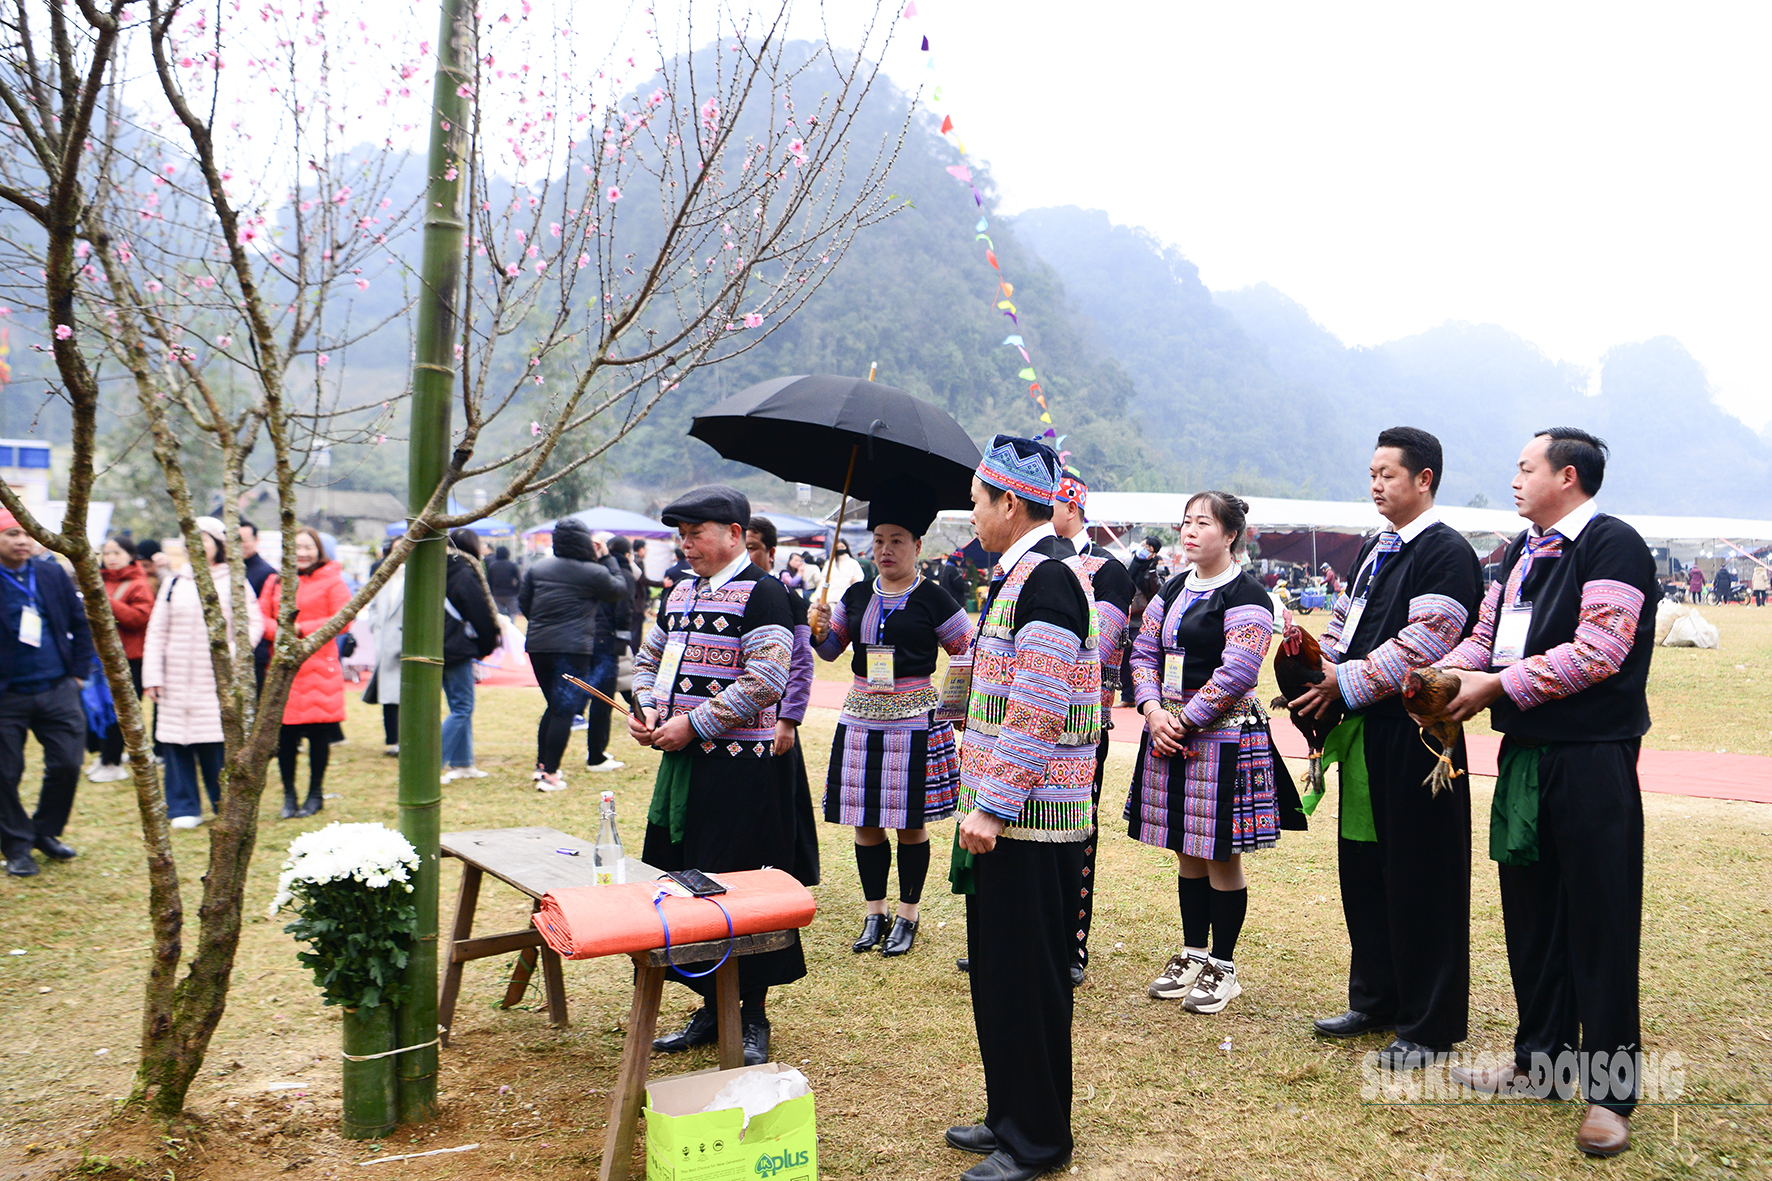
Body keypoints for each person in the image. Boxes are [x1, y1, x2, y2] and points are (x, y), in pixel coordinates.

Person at [1423, 429, 1658, 1157]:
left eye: (1525, 468)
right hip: (1525, 754)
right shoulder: (1518, 552)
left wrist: (1491, 686)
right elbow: (1484, 640)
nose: (1516, 480)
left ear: (1568, 474)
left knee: (1600, 916)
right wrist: (1439, 673)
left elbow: (1601, 650)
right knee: (1530, 910)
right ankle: (1541, 1060)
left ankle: (1610, 1091)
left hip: (1592, 757)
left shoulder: (1613, 544)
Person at [1290, 427, 1483, 1070]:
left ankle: (1428, 1024)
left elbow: (1429, 640)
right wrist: (1321, 668)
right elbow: (1347, 626)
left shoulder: (1445, 551)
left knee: (1424, 875)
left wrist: (1342, 685)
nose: (1375, 484)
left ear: (1424, 479)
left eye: (1388, 474)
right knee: (1366, 871)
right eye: (1371, 473)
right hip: (1368, 733)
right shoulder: (1378, 549)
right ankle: (1375, 999)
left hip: (1419, 736)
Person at [946, 436, 1100, 1181]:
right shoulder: (1020, 578)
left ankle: (1038, 1139)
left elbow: (1039, 706)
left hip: (1030, 824)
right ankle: (1008, 1110)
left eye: (978, 500)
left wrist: (995, 805)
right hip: (1007, 817)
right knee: (999, 973)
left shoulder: (1048, 580)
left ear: (1009, 502)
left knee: (1030, 980)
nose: (972, 515)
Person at [632, 485, 806, 1068]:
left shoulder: (766, 594)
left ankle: (749, 1013)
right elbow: (649, 660)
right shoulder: (679, 591)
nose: (687, 544)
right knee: (680, 888)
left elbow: (766, 680)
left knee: (734, 894)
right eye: (681, 534)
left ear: (734, 534)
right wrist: (651, 709)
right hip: (683, 772)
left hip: (741, 777)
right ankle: (709, 1003)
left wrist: (694, 724)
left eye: (697, 533)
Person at [1128, 491, 1302, 1015]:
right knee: (1187, 848)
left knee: (1222, 855)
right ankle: (1191, 954)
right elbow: (1143, 649)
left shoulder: (1248, 594)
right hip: (1170, 732)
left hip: (1224, 736)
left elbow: (1239, 671)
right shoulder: (1173, 587)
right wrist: (1153, 710)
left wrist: (1179, 720)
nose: (1189, 532)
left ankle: (1223, 968)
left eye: (1202, 523)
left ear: (1229, 535)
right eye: (1185, 523)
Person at [811, 479, 972, 959]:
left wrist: (955, 709)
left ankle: (907, 915)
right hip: (860, 718)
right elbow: (830, 650)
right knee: (864, 823)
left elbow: (968, 655)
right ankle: (874, 911)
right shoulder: (856, 595)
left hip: (915, 723)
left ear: (917, 546)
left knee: (909, 824)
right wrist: (815, 625)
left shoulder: (935, 598)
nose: (885, 549)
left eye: (896, 540)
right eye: (879, 540)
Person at [1052, 474, 1137, 987]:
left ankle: (1070, 943)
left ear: (1072, 506)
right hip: (1015, 721)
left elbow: (1097, 643)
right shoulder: (1028, 563)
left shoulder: (1108, 570)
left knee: (1076, 832)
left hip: (1080, 723)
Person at [143, 517, 265, 828]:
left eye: (203, 539)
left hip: (215, 677)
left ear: (219, 544)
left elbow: (252, 624)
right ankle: (182, 807)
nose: (195, 545)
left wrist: (232, 656)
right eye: (189, 539)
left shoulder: (233, 580)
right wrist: (153, 675)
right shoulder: (174, 582)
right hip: (175, 676)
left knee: (214, 741)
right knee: (174, 741)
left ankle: (221, 801)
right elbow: (157, 630)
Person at [1, 508, 93, 876]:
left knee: (68, 763)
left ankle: (45, 831)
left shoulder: (50, 572)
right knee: (5, 774)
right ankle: (16, 845)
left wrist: (79, 675)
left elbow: (80, 622)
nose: (23, 541)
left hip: (58, 687)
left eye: (27, 534)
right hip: (7, 695)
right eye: (12, 534)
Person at [745, 517, 821, 891]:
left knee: (778, 804)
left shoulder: (785, 596)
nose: (745, 555)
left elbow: (802, 663)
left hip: (774, 725)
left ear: (771, 553)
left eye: (752, 548)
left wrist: (788, 719)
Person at [520, 518, 624, 788]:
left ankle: (542, 765)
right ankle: (549, 775)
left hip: (538, 645)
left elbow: (525, 604)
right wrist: (608, 557)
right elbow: (618, 590)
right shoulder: (593, 571)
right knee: (563, 710)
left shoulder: (537, 568)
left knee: (555, 707)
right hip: (573, 648)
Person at [259, 525, 352, 819]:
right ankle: (289, 794)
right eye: (296, 547)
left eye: (307, 547)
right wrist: (283, 633)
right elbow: (260, 617)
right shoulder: (275, 582)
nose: (301, 553)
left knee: (319, 737)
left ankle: (315, 793)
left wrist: (302, 629)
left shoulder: (333, 582)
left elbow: (343, 620)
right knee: (285, 738)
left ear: (318, 551)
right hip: (285, 668)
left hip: (319, 668)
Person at [88, 537, 156, 782]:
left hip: (130, 659)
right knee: (103, 709)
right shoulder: (101, 580)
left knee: (122, 712)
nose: (111, 557)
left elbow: (139, 619)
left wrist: (109, 603)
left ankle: (113, 761)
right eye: (107, 552)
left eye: (117, 552)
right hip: (102, 658)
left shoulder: (138, 584)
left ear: (130, 555)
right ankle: (105, 756)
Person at [439, 529, 502, 783]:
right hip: (455, 645)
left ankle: (463, 763)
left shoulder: (436, 567)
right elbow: (480, 611)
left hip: (437, 643)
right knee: (463, 706)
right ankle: (431, 763)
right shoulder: (464, 570)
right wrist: (488, 643)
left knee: (459, 704)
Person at [361, 559, 405, 756]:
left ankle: (404, 738)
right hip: (385, 642)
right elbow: (374, 607)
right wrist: (375, 626)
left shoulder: (416, 577)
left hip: (404, 643)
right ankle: (393, 739)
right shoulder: (383, 578)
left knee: (403, 693)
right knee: (388, 694)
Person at [823, 539, 865, 604]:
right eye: (838, 547)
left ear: (846, 547)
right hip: (832, 598)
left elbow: (860, 577)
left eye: (842, 547)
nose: (840, 549)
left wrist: (855, 580)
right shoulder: (830, 563)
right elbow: (824, 580)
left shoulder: (853, 563)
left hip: (848, 598)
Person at [487, 544, 522, 618]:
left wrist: (491, 592)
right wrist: (516, 590)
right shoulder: (512, 565)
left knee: (499, 615)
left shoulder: (492, 566)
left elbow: (489, 581)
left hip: (496, 594)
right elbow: (519, 580)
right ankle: (511, 627)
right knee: (512, 613)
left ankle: (501, 628)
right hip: (510, 593)